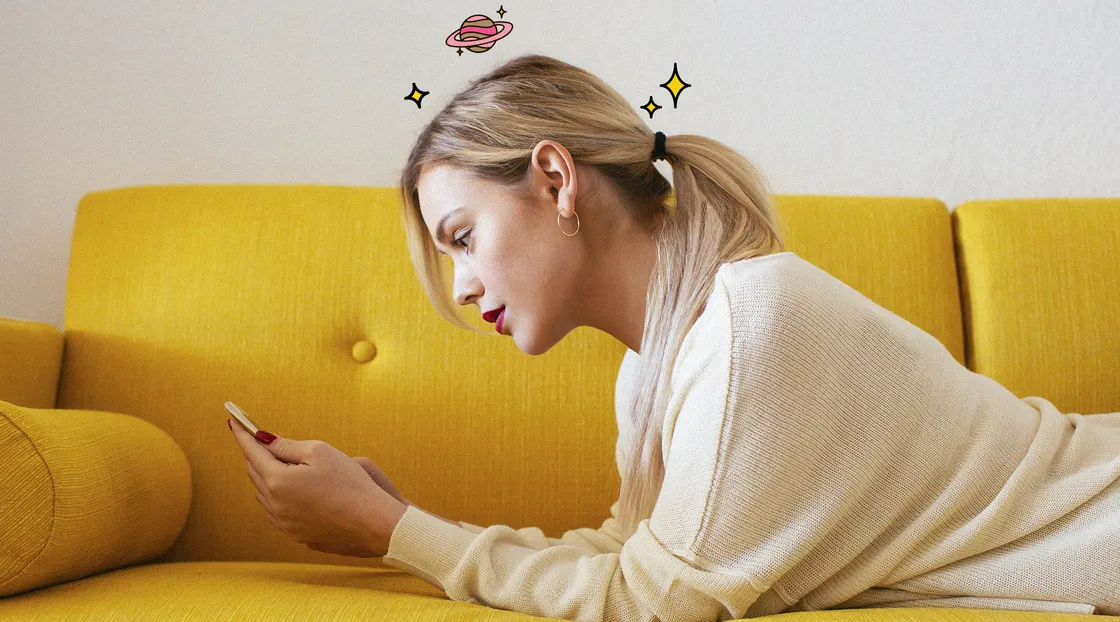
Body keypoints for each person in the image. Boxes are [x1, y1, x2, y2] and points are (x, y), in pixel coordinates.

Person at [250, 53, 1120, 621]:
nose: (463, 285)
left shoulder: (748, 325)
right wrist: (406, 524)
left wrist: (389, 528)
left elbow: (653, 603)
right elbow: (634, 556)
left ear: (554, 178)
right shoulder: (657, 360)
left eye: (463, 238)